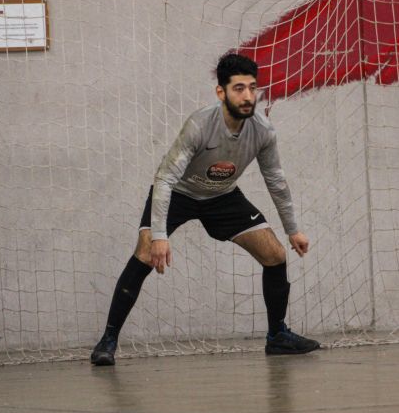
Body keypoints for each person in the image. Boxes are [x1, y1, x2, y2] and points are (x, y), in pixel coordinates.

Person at [91, 53, 320, 366]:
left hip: (222, 196)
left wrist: (293, 230)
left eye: (252, 88)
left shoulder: (263, 131)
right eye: (239, 88)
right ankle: (108, 341)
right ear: (221, 92)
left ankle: (277, 336)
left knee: (275, 254)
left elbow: (276, 181)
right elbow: (165, 178)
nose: (248, 96)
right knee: (145, 253)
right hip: (179, 193)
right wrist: (159, 235)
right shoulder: (200, 125)